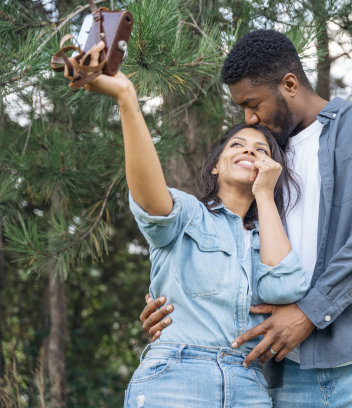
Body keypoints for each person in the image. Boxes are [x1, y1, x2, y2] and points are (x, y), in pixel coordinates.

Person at [141, 29, 352, 407]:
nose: (250, 118)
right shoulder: (258, 163)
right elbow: (222, 247)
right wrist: (173, 312)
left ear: (290, 84)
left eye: (253, 103)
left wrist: (309, 312)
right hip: (287, 375)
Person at [66, 42, 308, 407]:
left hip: (250, 388)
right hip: (177, 377)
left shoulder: (269, 234)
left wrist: (264, 196)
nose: (248, 151)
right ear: (216, 166)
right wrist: (127, 98)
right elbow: (150, 198)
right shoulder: (189, 214)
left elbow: (285, 289)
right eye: (237, 145)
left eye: (261, 151)